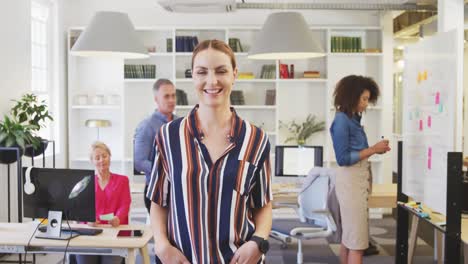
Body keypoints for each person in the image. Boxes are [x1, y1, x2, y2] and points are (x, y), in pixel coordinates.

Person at [146, 39, 273, 264]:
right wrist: (162, 246)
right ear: (193, 76)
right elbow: (158, 201)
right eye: (202, 72)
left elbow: (262, 205)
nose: (212, 81)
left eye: (221, 71)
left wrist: (258, 241)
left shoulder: (256, 139)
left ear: (234, 74)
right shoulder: (168, 137)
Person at [330, 75, 391, 264]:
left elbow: (357, 152)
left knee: (349, 239)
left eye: (367, 99)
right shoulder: (342, 120)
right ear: (351, 97)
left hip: (358, 180)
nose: (366, 104)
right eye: (363, 99)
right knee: (356, 243)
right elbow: (343, 159)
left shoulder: (352, 119)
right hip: (351, 182)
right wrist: (373, 149)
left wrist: (373, 150)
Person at [75, 141, 132, 264]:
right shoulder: (86, 182)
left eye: (105, 156)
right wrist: (87, 220)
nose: (102, 160)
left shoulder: (122, 180)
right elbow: (79, 208)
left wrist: (118, 218)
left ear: (110, 157)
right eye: (97, 158)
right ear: (92, 161)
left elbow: (125, 204)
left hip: (115, 232)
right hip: (90, 234)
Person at [134, 78, 177, 214]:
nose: (171, 100)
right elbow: (139, 162)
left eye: (173, 95)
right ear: (156, 99)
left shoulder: (180, 123)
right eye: (166, 96)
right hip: (156, 191)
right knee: (161, 234)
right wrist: (165, 172)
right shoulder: (147, 125)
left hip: (177, 191)